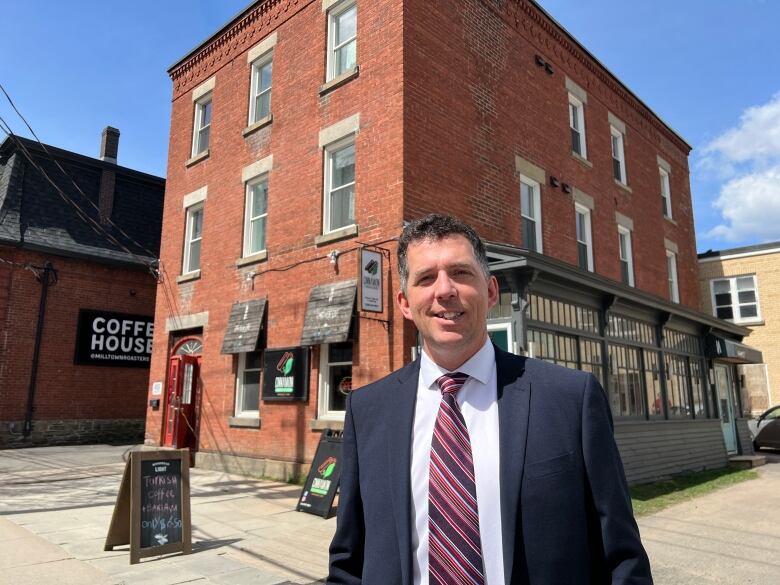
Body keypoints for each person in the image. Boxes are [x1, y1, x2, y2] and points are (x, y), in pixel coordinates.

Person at [327, 214, 652, 584]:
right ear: (404, 303)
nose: (444, 290)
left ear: (492, 291)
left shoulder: (571, 399)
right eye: (426, 278)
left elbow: (623, 559)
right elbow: (348, 560)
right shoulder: (367, 410)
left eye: (461, 273)